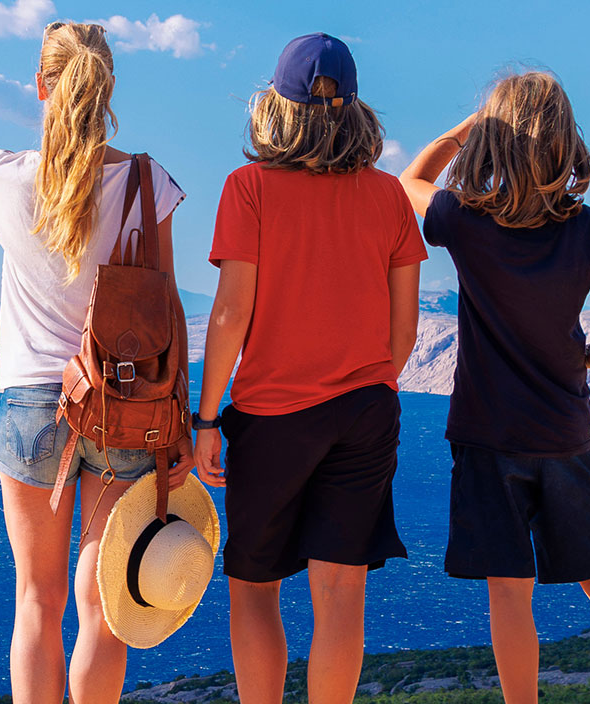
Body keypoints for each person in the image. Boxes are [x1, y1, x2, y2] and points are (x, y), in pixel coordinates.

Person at [0, 20, 192, 704]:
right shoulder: (148, 185)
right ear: (110, 87)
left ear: (40, 86)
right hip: (122, 408)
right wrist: (181, 421)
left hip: (33, 407)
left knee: (36, 603)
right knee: (103, 608)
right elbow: (169, 312)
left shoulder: (10, 180)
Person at [389, 67, 590, 704]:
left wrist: (466, 128)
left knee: (509, 591)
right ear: (567, 142)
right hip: (566, 432)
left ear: (492, 143)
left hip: (487, 435)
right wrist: (577, 364)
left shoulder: (464, 220)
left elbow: (410, 183)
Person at [179, 33, 423, 704]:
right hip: (368, 411)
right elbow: (405, 329)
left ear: (275, 107)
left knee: (255, 588)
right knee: (342, 594)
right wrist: (366, 382)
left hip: (272, 418)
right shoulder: (389, 197)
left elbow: (229, 316)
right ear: (353, 107)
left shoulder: (248, 188)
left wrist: (205, 420)